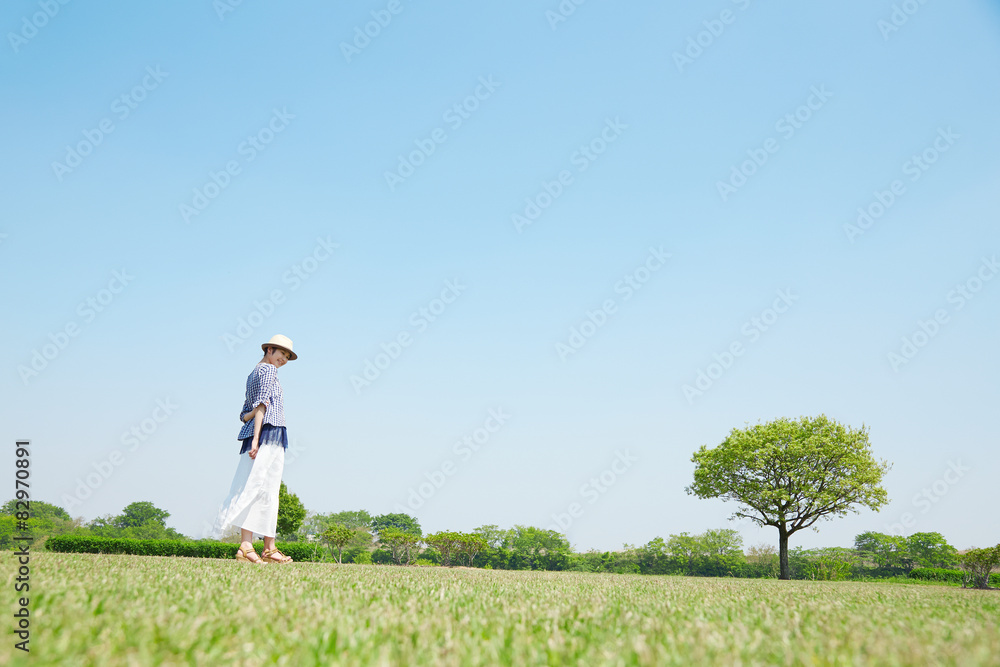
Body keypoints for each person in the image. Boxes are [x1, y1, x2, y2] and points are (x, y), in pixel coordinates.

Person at [215, 334, 298, 564]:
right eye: (282, 354)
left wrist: (254, 432)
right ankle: (251, 545)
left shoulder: (253, 374)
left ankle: (262, 547)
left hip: (260, 433)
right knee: (261, 488)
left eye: (287, 357)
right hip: (267, 435)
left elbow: (244, 414)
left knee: (258, 487)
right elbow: (261, 406)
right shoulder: (270, 371)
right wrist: (256, 440)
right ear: (270, 349)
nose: (284, 359)